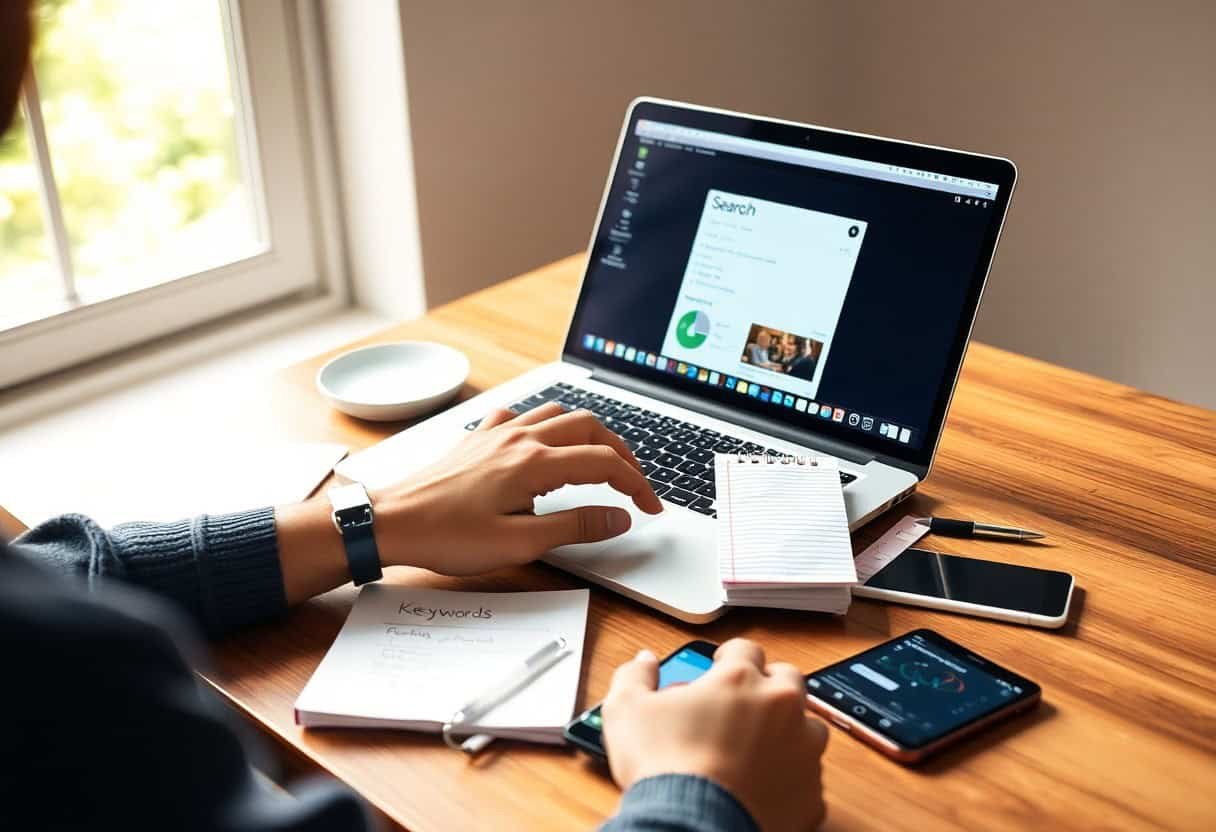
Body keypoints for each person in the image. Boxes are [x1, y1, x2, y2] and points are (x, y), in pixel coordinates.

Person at [1, 8, 829, 831]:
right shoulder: (77, 681)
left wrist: (372, 525)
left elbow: (56, 574)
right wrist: (699, 797)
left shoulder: (52, 641)